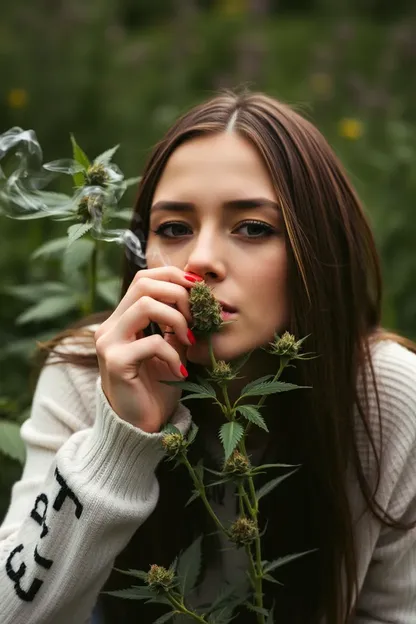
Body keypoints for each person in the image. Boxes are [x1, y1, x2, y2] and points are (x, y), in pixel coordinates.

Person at [0, 91, 415, 624]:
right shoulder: (86, 373)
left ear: (318, 250)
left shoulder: (385, 395)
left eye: (253, 228)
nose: (200, 260)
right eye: (174, 228)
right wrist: (120, 439)